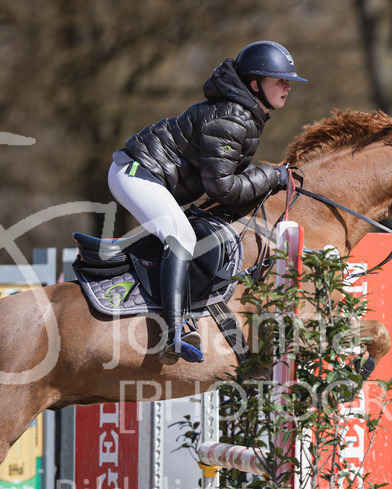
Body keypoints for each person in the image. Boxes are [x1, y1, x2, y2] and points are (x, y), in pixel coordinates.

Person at [108, 40, 305, 365]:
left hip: (151, 176)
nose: (287, 87)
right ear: (255, 84)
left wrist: (267, 177)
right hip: (134, 172)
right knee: (181, 237)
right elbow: (223, 188)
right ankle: (175, 331)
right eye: (279, 80)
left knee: (188, 232)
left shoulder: (245, 114)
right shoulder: (231, 118)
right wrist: (270, 177)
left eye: (288, 81)